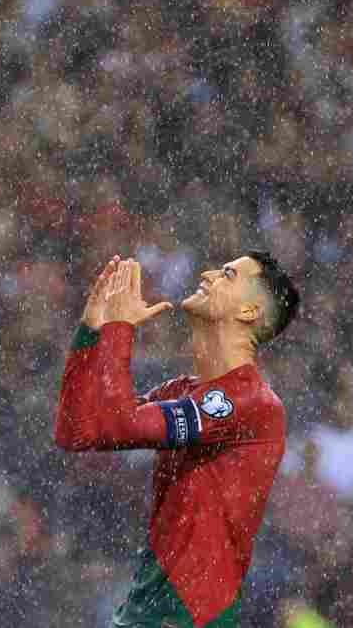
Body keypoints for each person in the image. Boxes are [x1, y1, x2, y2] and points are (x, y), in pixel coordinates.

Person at [56, 251, 300, 627]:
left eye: (228, 274)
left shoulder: (252, 403)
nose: (208, 273)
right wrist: (92, 331)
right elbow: (81, 430)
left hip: (189, 615)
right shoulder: (185, 391)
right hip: (146, 609)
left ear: (250, 311)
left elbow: (121, 423)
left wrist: (120, 329)